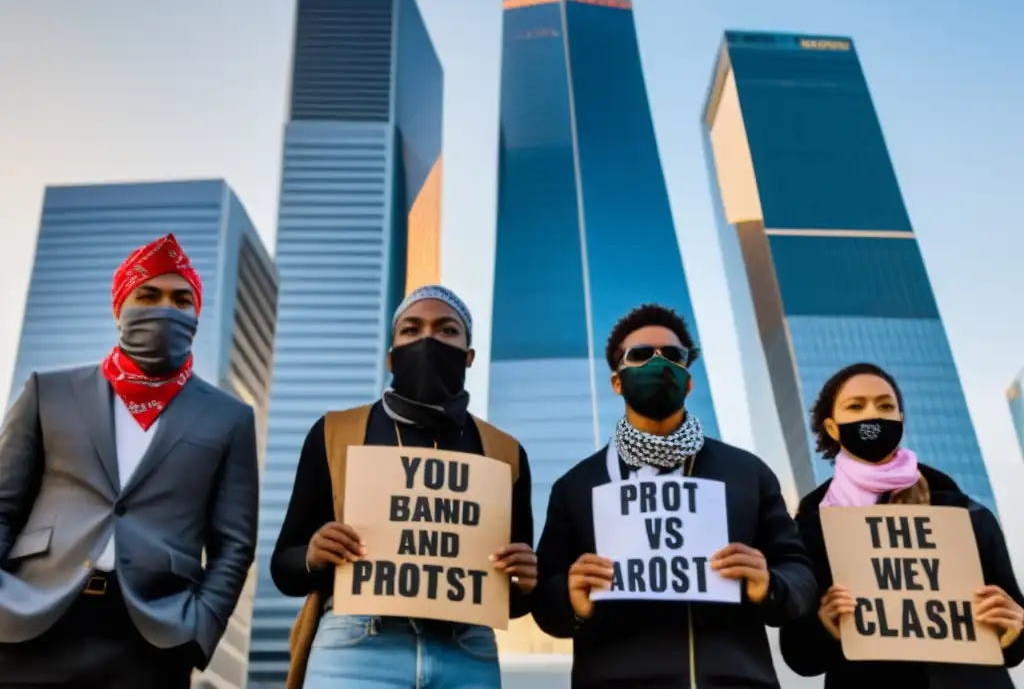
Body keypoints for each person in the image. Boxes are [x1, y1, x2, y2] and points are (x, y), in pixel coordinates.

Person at [0, 233, 260, 689]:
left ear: (196, 314)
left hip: (151, 639)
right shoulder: (50, 389)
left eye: (182, 300)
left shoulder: (230, 417)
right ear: (121, 305)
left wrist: (198, 630)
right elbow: (3, 504)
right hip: (30, 616)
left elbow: (234, 544)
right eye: (149, 294)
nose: (166, 308)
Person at [530, 303, 817, 688]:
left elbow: (799, 573)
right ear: (617, 381)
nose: (658, 362)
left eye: (673, 355)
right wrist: (569, 598)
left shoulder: (748, 474)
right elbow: (547, 602)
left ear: (688, 380)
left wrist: (770, 586)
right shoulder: (577, 486)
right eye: (641, 355)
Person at [273, 284, 536, 689]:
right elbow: (284, 569)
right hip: (356, 650)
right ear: (392, 357)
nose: (428, 339)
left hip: (466, 653)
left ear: (469, 357)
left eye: (447, 329)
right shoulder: (335, 433)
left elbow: (513, 599)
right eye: (411, 329)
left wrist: (526, 581)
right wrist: (312, 554)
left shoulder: (505, 452)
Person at [779, 362, 1024, 688]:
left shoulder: (966, 513)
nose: (872, 416)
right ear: (833, 428)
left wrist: (1014, 626)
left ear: (900, 419)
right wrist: (823, 625)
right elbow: (800, 659)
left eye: (885, 405)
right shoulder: (812, 526)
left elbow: (1013, 647)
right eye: (855, 406)